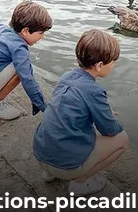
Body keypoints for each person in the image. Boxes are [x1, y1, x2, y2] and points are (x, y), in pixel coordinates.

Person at [33, 29, 129, 196]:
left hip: (41, 154)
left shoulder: (66, 77)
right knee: (122, 139)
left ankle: (49, 174)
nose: (113, 65)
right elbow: (110, 130)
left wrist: (103, 112)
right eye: (113, 62)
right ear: (100, 66)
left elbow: (69, 110)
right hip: (65, 166)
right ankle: (80, 181)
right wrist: (110, 118)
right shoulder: (94, 91)